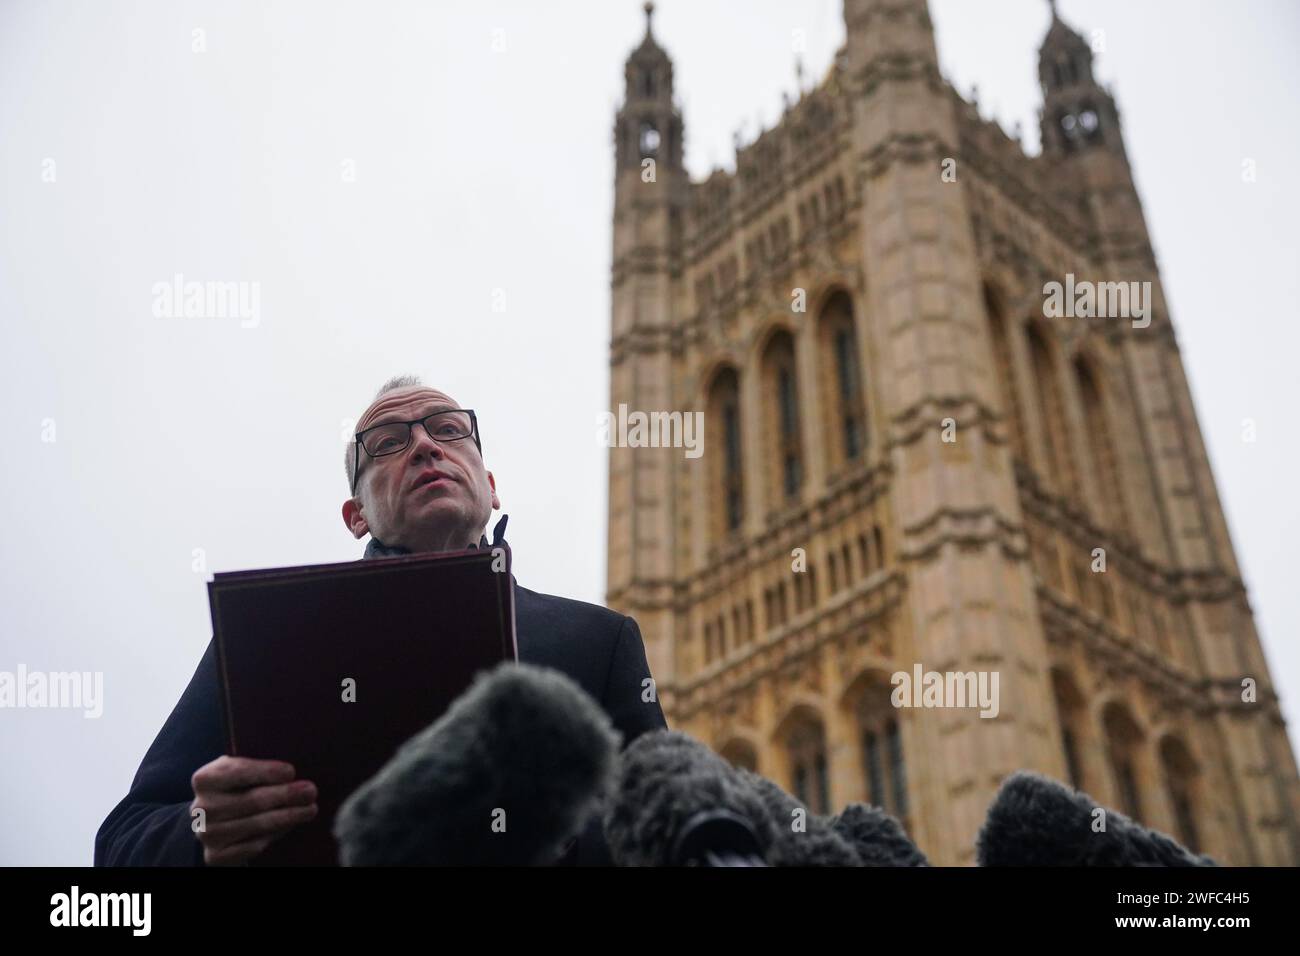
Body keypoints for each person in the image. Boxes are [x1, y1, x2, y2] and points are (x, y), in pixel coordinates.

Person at [95, 375, 667, 865]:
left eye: (447, 430)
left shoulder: (599, 641)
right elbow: (122, 839)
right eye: (389, 442)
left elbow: (664, 833)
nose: (424, 446)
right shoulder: (272, 638)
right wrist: (201, 833)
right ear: (356, 515)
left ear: (490, 488)